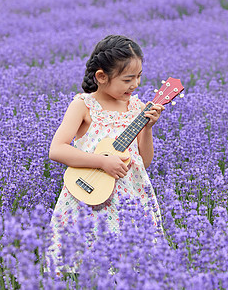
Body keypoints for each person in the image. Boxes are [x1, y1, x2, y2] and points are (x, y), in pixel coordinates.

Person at [46, 35, 164, 274]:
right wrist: (102, 161)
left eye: (139, 77)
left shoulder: (138, 109)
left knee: (130, 266)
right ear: (101, 77)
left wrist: (148, 128)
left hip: (130, 199)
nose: (136, 85)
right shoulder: (83, 105)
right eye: (128, 79)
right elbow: (57, 149)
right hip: (87, 196)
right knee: (83, 262)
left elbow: (145, 162)